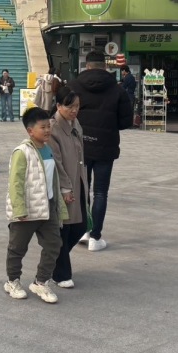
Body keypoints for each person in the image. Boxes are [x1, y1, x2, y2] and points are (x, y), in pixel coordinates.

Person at [68, 50, 133, 251]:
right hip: (106, 146)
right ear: (105, 66)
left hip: (80, 146)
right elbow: (126, 122)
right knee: (100, 192)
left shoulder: (73, 87)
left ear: (86, 66)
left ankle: (83, 231)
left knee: (82, 190)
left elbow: (63, 114)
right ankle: (95, 237)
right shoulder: (117, 89)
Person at [3, 107, 68, 304]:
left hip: (48, 208)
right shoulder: (21, 152)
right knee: (17, 248)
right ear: (30, 131)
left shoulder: (48, 149)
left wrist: (59, 202)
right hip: (27, 210)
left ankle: (40, 282)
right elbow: (15, 183)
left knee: (54, 245)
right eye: (43, 127)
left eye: (49, 126)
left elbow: (53, 180)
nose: (47, 130)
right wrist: (19, 209)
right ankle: (12, 281)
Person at [48, 87, 86, 289]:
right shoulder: (53, 129)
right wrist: (65, 187)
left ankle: (54, 258)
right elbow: (56, 162)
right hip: (64, 184)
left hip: (79, 181)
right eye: (69, 106)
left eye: (77, 106)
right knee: (65, 227)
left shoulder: (75, 123)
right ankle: (60, 273)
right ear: (58, 106)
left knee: (81, 225)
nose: (74, 110)